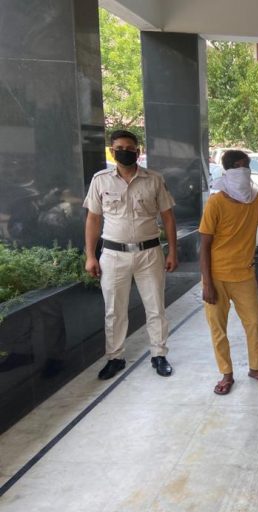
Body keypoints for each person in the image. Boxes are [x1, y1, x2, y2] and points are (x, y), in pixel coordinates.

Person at [84, 130, 178, 380]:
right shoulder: (100, 180)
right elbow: (93, 219)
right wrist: (90, 256)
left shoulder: (154, 179)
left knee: (156, 307)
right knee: (114, 310)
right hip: (114, 255)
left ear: (138, 151)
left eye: (130, 148)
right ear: (112, 151)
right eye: (119, 148)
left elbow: (168, 218)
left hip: (149, 253)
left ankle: (159, 354)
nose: (125, 152)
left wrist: (173, 251)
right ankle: (115, 358)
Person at [199, 150, 258, 395]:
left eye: (247, 166)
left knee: (254, 323)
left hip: (245, 275)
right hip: (216, 276)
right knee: (218, 328)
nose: (243, 171)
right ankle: (226, 373)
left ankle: (255, 368)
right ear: (228, 171)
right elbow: (204, 245)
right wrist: (207, 283)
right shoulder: (216, 202)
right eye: (238, 166)